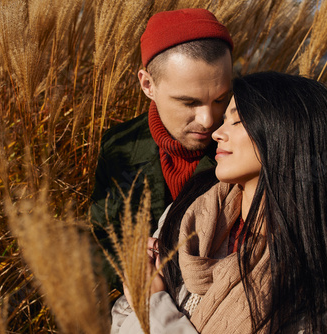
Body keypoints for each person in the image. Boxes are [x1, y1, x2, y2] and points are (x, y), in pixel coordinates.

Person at [112, 72, 327, 333]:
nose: (217, 133)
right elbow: (121, 316)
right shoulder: (190, 209)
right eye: (224, 120)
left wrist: (153, 305)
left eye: (237, 121)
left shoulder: (309, 283)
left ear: (283, 136)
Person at [90, 8, 233, 283]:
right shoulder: (118, 146)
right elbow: (100, 235)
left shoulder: (247, 144)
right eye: (189, 102)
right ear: (147, 85)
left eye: (220, 99)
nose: (208, 120)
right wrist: (129, 261)